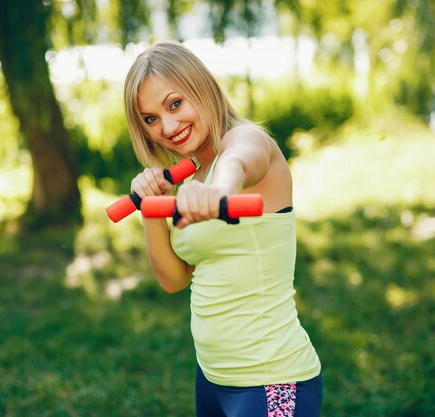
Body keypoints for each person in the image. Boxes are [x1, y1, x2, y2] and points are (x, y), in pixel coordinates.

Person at [123, 40, 322, 417]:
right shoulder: (190, 178)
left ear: (203, 88)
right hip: (213, 379)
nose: (166, 126)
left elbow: (241, 161)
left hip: (272, 380)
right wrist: (151, 206)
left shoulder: (246, 140)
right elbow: (174, 280)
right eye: (150, 118)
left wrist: (219, 192)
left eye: (175, 103)